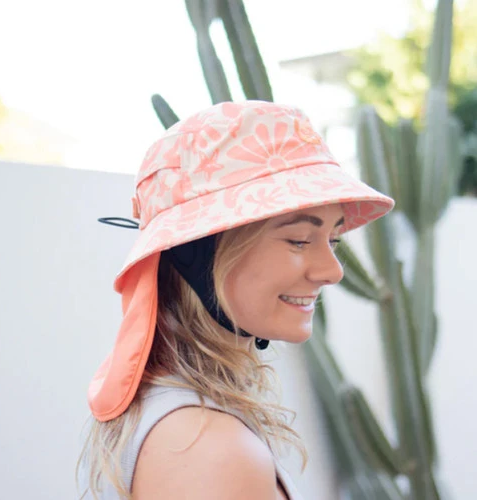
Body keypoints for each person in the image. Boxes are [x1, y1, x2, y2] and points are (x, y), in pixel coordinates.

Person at [76, 100, 394, 499]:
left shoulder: (182, 423)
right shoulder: (206, 449)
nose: (333, 271)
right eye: (299, 240)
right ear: (196, 255)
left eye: (333, 240)